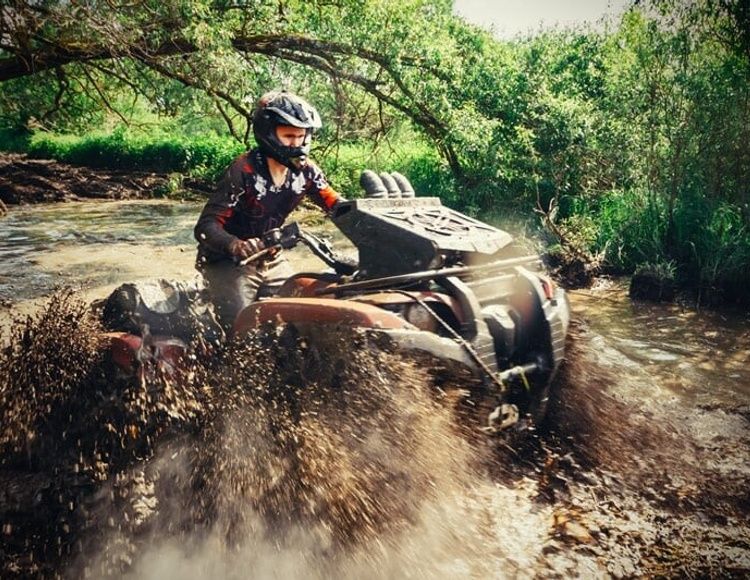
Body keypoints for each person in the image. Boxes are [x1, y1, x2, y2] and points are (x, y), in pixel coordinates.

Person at [194, 90, 342, 330]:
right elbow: (205, 227)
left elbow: (336, 205)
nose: (297, 144)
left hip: (272, 258)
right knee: (242, 331)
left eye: (302, 136)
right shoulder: (244, 171)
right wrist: (236, 245)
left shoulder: (307, 172)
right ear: (268, 133)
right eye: (289, 136)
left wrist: (373, 209)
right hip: (228, 262)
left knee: (297, 318)